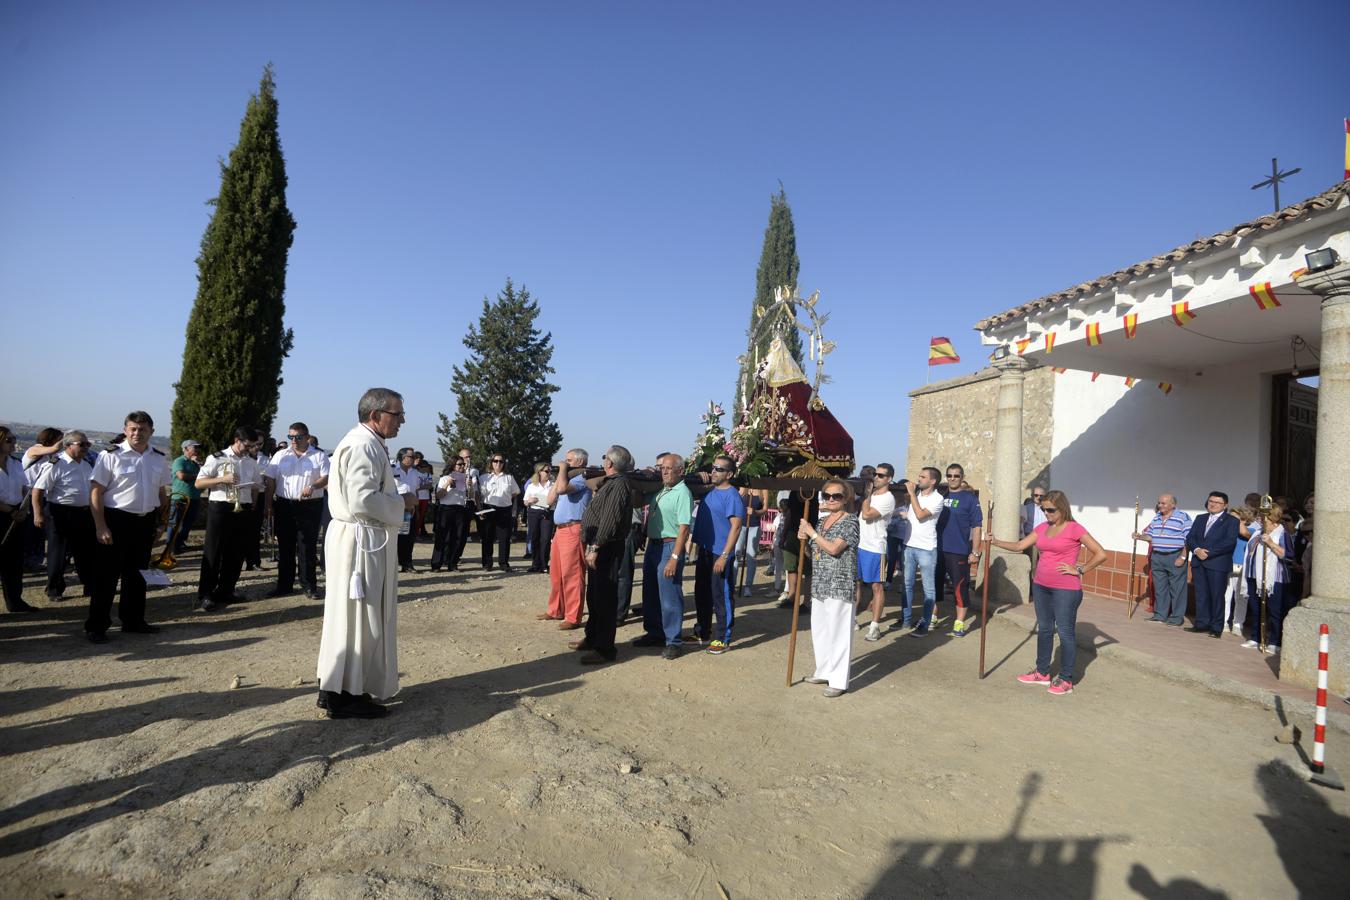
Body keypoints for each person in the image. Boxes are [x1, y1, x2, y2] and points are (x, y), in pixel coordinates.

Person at [316, 388, 409, 719]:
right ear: (376, 415)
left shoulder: (366, 442)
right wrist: (401, 504)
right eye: (397, 414)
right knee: (360, 617)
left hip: (360, 536)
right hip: (362, 539)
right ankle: (345, 694)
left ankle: (337, 688)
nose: (402, 421)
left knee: (350, 616)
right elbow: (362, 499)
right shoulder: (363, 445)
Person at [990, 489, 1107, 695]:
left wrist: (1079, 569)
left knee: (1064, 632)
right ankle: (1042, 673)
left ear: (1062, 508)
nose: (1047, 514)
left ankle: (1065, 679)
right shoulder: (1042, 527)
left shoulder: (1074, 528)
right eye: (1044, 510)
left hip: (1066, 589)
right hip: (1041, 585)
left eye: (1051, 510)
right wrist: (995, 541)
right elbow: (1019, 545)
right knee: (1044, 629)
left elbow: (1100, 553)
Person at [86, 411, 173, 642]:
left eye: (142, 429)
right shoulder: (110, 455)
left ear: (151, 432)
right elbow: (96, 491)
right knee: (106, 576)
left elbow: (162, 493)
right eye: (133, 428)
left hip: (145, 522)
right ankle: (97, 625)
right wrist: (100, 525)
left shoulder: (158, 457)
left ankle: (133, 621)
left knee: (137, 576)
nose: (137, 433)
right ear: (125, 430)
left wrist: (162, 524)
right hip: (116, 520)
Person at [569, 445, 635, 664]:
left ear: (610, 463)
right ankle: (592, 637)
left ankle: (605, 648)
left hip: (606, 547)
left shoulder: (619, 485)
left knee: (605, 599)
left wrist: (596, 547)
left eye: (605, 457)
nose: (603, 460)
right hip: (599, 545)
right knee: (594, 596)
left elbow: (610, 518)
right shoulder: (611, 482)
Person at [800, 477, 860, 697]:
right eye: (828, 496)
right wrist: (804, 541)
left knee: (839, 632)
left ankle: (838, 680)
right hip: (820, 582)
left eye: (837, 496)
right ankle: (824, 669)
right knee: (821, 630)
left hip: (840, 583)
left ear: (846, 498)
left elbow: (834, 549)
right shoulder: (821, 521)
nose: (832, 499)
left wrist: (812, 534)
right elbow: (813, 552)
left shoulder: (850, 521)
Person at [194, 427, 263, 611]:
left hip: (244, 507)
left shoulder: (251, 461)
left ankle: (226, 590)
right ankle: (206, 594)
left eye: (253, 446)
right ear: (237, 440)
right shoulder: (216, 458)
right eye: (247, 445)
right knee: (214, 551)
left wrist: (253, 501)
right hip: (221, 507)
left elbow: (257, 485)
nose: (249, 449)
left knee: (236, 553)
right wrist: (223, 479)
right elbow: (199, 482)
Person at [633, 453, 692, 659]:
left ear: (680, 471)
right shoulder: (661, 490)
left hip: (669, 546)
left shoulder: (682, 493)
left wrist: (675, 558)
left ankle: (673, 641)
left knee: (669, 596)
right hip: (653, 546)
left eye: (668, 468)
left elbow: (684, 529)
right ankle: (655, 632)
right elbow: (638, 501)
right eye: (662, 468)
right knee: (650, 592)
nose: (664, 472)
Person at [265, 422, 329, 600]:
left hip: (309, 505)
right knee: (285, 546)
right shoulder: (280, 455)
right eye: (290, 437)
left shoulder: (319, 456)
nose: (294, 440)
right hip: (285, 505)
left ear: (307, 437)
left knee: (306, 546)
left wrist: (313, 485)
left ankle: (309, 586)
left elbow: (326, 478)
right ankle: (284, 585)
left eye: (298, 437)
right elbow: (270, 481)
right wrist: (268, 505)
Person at [31, 430, 96, 602]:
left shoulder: (86, 464)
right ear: (67, 445)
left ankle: (89, 586)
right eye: (81, 444)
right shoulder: (56, 464)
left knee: (85, 553)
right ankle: (54, 589)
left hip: (83, 513)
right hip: (60, 513)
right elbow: (37, 490)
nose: (86, 448)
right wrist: (38, 514)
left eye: (87, 444)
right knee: (58, 554)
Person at [691, 455, 745, 654]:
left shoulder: (732, 496)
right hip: (705, 550)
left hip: (719, 553)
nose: (714, 472)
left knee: (721, 596)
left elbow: (736, 527)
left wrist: (724, 555)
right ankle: (703, 631)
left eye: (719, 469)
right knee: (702, 592)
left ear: (729, 474)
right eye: (713, 468)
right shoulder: (710, 492)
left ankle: (722, 638)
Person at [542, 449, 591, 629]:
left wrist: (562, 470)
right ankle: (556, 609)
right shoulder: (566, 478)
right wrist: (559, 475)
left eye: (568, 460)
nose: (564, 462)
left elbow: (562, 490)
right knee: (556, 574)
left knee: (573, 575)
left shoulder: (581, 479)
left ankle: (573, 616)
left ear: (579, 462)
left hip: (573, 528)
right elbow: (549, 500)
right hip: (560, 530)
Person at [1183, 491, 1240, 638]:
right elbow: (1191, 537)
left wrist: (1208, 553)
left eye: (1217, 502)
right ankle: (1201, 623)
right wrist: (1196, 550)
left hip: (1217, 563)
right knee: (1201, 595)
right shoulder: (1200, 518)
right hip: (1198, 562)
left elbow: (1229, 542)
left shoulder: (1231, 521)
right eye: (1210, 501)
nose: (1213, 504)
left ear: (1225, 505)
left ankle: (1216, 627)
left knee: (1216, 595)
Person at [1132, 493, 1192, 626]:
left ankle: (1176, 618)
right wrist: (1140, 536)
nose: (1160, 505)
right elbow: (1151, 537)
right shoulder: (1157, 518)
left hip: (1175, 555)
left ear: (1173, 505)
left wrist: (1183, 557)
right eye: (1159, 503)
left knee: (1177, 589)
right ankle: (1160, 615)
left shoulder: (1183, 517)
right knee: (1160, 587)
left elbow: (1189, 539)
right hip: (1157, 556)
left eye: (1163, 503)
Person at [938, 464, 984, 637]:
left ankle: (959, 622)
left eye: (956, 476)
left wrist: (975, 551)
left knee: (959, 587)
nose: (952, 479)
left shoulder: (969, 498)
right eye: (949, 475)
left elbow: (977, 526)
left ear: (962, 477)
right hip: (937, 548)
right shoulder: (940, 495)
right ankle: (933, 617)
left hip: (958, 549)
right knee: (935, 586)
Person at [1240, 503, 1290, 655]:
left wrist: (1270, 543)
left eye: (1263, 517)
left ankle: (1275, 641)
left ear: (1272, 518)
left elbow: (1287, 555)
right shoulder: (1256, 532)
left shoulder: (1282, 534)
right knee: (1256, 608)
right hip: (1254, 575)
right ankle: (1256, 637)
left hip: (1275, 579)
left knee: (1275, 611)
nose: (1260, 520)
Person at [901, 467, 944, 635]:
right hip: (909, 545)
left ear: (933, 481)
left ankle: (924, 625)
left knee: (929, 589)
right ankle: (905, 620)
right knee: (906, 584)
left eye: (923, 477)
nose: (919, 479)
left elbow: (920, 515)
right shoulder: (918, 495)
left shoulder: (937, 499)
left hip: (926, 549)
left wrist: (911, 494)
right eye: (919, 475)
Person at [858, 464, 896, 642]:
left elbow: (867, 514)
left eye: (880, 475)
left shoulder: (888, 498)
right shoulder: (872, 494)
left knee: (876, 587)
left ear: (889, 478)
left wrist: (865, 495)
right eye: (875, 474)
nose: (876, 477)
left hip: (875, 548)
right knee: (855, 583)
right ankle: (853, 619)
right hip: (861, 545)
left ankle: (874, 626)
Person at [0, 427, 35, 613]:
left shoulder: (15, 464)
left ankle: (15, 601)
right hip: (4, 513)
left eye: (14, 439)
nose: (13, 443)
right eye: (9, 440)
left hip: (17, 515)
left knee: (14, 562)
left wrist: (24, 509)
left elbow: (25, 489)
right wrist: (10, 511)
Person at [478, 452, 520, 571]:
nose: (498, 463)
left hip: (504, 509)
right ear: (491, 462)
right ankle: (487, 563)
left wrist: (505, 499)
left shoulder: (509, 477)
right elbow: (479, 495)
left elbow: (516, 492)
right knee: (487, 537)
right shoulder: (484, 477)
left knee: (505, 537)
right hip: (488, 507)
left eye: (501, 461)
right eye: (495, 461)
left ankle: (503, 563)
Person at [430, 458, 470, 572]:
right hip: (446, 508)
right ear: (453, 466)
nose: (462, 467)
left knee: (458, 537)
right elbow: (438, 495)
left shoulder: (466, 479)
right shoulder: (445, 478)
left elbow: (471, 495)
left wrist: (470, 486)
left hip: (460, 509)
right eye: (459, 464)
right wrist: (448, 484)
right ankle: (436, 564)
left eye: (464, 465)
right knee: (441, 537)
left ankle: (452, 564)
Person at [167, 439, 204, 555]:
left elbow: (207, 475)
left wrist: (199, 464)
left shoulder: (197, 463)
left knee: (188, 523)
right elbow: (182, 476)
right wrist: (198, 475)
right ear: (186, 449)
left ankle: (179, 543)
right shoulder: (179, 461)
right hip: (180, 497)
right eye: (195, 447)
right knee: (174, 523)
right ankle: (170, 547)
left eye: (198, 447)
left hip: (195, 498)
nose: (197, 450)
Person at [775, 492, 809, 610]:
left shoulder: (813, 493)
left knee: (808, 570)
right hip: (792, 532)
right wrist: (784, 535)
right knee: (791, 567)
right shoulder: (794, 493)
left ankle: (806, 602)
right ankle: (791, 597)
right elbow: (789, 514)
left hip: (808, 532)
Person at [392, 448, 421, 572]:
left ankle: (407, 563)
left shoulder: (415, 473)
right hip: (395, 508)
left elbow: (416, 491)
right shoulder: (392, 470)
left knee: (409, 537)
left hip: (410, 510)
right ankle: (392, 564)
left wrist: (416, 507)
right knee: (395, 537)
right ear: (402, 457)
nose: (414, 459)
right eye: (411, 456)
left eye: (414, 456)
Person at [735, 487, 767, 597]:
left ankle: (748, 586)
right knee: (736, 553)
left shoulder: (764, 490)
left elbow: (765, 509)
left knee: (751, 555)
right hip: (741, 524)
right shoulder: (744, 487)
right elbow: (735, 500)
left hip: (754, 526)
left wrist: (755, 512)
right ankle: (732, 584)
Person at [523, 462, 554, 573]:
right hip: (534, 513)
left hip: (547, 513)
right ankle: (535, 564)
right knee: (535, 538)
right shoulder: (532, 485)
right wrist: (530, 501)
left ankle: (544, 564)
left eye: (550, 470)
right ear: (539, 472)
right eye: (546, 471)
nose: (549, 473)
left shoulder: (553, 485)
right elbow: (525, 502)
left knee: (545, 539)